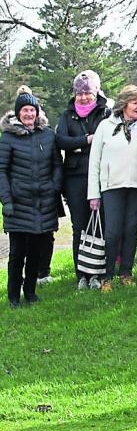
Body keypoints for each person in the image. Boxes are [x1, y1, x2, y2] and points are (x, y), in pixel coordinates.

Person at [1, 87, 62, 307]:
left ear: (37, 112)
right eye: (25, 110)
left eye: (32, 110)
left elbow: (57, 163)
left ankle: (31, 292)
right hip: (18, 203)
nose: (29, 114)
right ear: (18, 113)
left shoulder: (47, 135)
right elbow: (2, 171)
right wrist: (6, 200)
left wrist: (54, 186)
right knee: (17, 254)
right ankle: (13, 295)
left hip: (43, 201)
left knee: (36, 251)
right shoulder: (8, 137)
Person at [87, 86, 137, 292]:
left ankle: (126, 272)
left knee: (130, 230)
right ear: (124, 104)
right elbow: (94, 162)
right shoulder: (105, 126)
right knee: (113, 232)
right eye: (135, 103)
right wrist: (93, 194)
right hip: (111, 186)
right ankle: (107, 276)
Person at [56, 71, 110, 289]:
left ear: (96, 91)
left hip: (101, 175)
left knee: (100, 226)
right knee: (79, 227)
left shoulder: (106, 111)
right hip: (75, 177)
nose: (84, 97)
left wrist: (78, 146)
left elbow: (108, 138)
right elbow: (61, 140)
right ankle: (81, 275)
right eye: (80, 93)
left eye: (88, 92)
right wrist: (86, 140)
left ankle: (98, 272)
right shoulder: (67, 115)